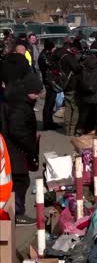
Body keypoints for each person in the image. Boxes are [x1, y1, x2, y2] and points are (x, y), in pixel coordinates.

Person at [0, 72, 43, 225]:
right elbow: (17, 130)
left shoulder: (14, 98)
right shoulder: (19, 106)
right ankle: (16, 213)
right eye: (36, 93)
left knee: (15, 180)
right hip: (14, 148)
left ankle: (13, 211)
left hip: (10, 146)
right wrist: (30, 146)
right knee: (20, 180)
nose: (38, 96)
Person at [53, 42, 83, 136]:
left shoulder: (62, 57)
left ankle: (67, 129)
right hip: (72, 86)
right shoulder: (69, 58)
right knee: (75, 108)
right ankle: (72, 129)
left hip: (65, 86)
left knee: (68, 107)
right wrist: (81, 64)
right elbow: (77, 68)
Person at [38, 39, 61, 131]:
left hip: (51, 80)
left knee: (51, 103)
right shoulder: (44, 56)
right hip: (49, 81)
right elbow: (51, 64)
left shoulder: (47, 55)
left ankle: (50, 122)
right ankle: (46, 124)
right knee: (48, 103)